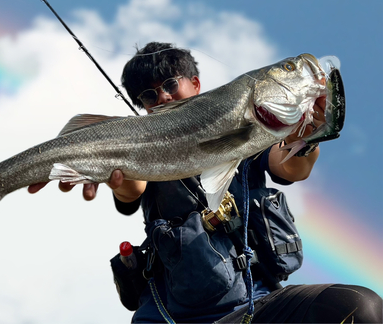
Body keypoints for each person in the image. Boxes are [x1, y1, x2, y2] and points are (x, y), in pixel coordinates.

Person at [29, 42, 382, 323]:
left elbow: (290, 167)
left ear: (195, 84)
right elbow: (130, 189)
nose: (162, 97)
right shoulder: (144, 152)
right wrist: (107, 171)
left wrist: (310, 136)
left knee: (358, 309)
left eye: (169, 85)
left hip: (255, 306)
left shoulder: (251, 131)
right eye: (149, 96)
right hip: (168, 316)